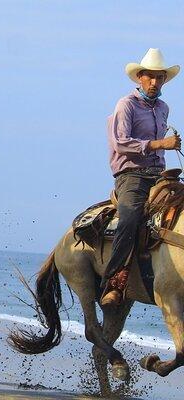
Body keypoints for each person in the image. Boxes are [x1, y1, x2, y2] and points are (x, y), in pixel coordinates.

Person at [100, 48, 181, 306]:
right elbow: (121, 143)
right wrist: (159, 144)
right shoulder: (126, 105)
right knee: (131, 218)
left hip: (159, 175)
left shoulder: (163, 108)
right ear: (140, 78)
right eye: (151, 77)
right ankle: (113, 284)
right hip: (131, 175)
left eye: (160, 78)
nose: (155, 82)